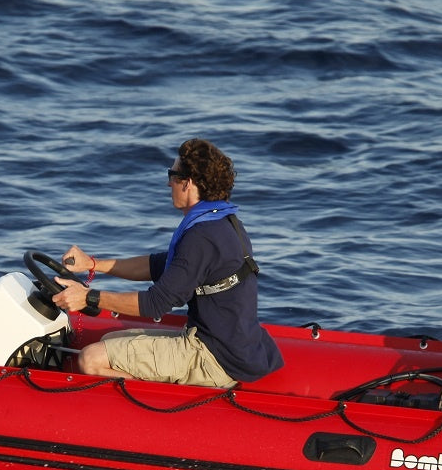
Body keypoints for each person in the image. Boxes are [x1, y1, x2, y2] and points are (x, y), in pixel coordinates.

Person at [51, 138, 283, 388]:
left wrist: (89, 298)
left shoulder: (202, 236)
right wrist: (93, 264)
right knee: (110, 339)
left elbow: (155, 303)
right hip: (227, 345)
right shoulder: (223, 223)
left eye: (172, 175)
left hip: (214, 357)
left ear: (189, 183)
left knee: (91, 359)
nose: (168, 182)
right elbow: (158, 266)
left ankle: (162, 412)